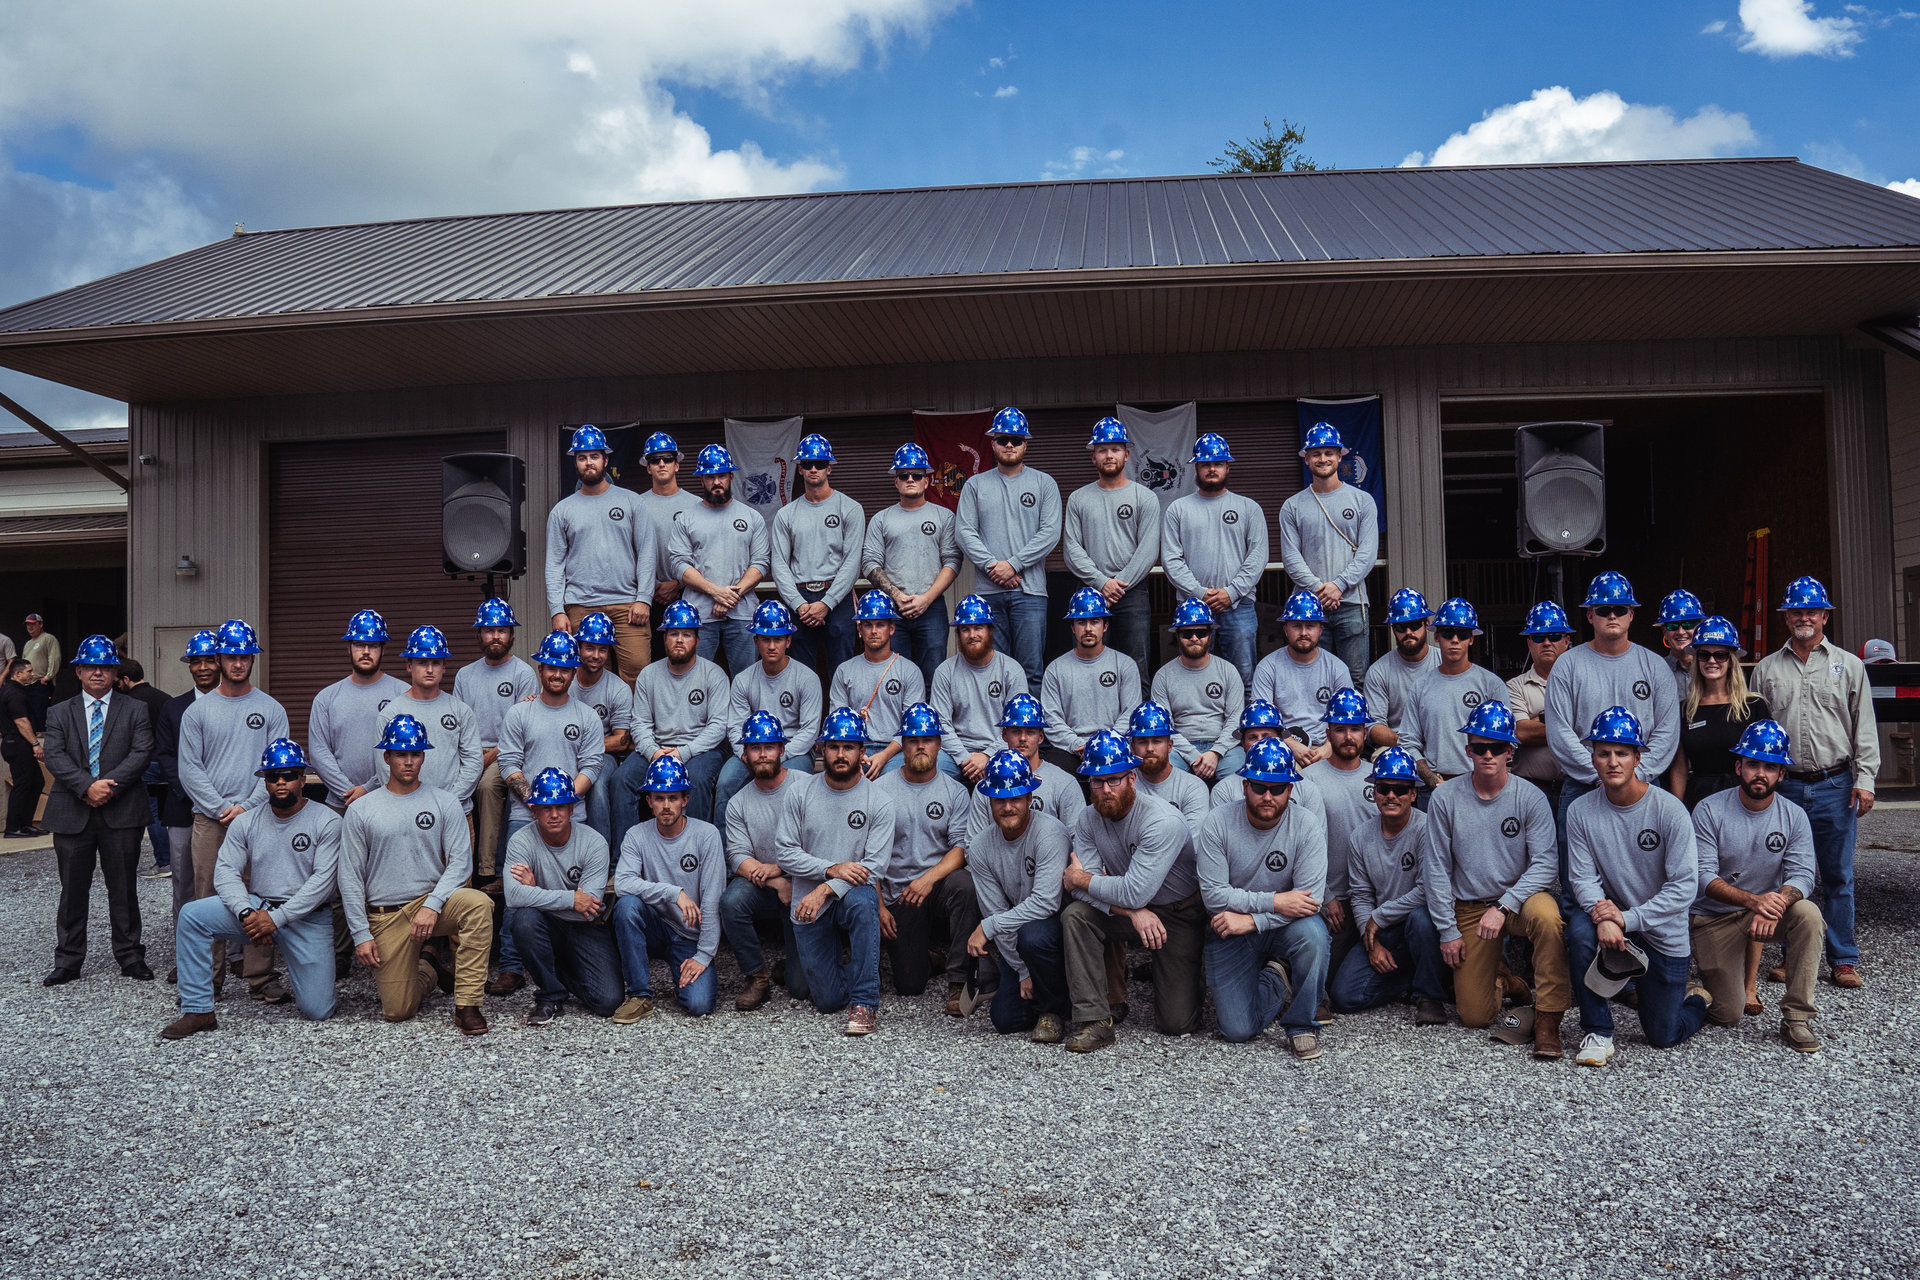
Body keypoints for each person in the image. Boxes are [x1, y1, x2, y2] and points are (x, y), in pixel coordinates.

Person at [1747, 576, 1878, 990]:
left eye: (1812, 611)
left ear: (1824, 616)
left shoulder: (1849, 666)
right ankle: (1792, 954)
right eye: (1796, 611)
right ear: (1786, 617)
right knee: (1784, 875)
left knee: (1838, 875)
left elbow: (1864, 727)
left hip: (1835, 784)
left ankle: (1842, 958)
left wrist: (1866, 779)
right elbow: (1755, 732)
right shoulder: (1766, 669)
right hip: (1783, 787)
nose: (1804, 617)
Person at [161, 740, 340, 1037]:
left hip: (308, 917)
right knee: (192, 915)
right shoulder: (245, 822)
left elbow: (323, 883)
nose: (280, 782)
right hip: (258, 909)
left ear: (302, 779)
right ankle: (198, 1010)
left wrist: (277, 919)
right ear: (264, 782)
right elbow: (226, 872)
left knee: (317, 1010)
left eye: (289, 774)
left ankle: (314, 980)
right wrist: (246, 912)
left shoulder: (327, 820)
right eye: (273, 777)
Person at [1564, 706, 1709, 1066]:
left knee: (1664, 1035)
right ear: (1593, 758)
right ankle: (1597, 1031)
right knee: (1580, 931)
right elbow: (1582, 878)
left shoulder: (1669, 810)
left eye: (1622, 753)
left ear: (1637, 757)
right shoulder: (1580, 811)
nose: (1613, 761)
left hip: (1661, 931)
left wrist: (1626, 919)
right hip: (1613, 924)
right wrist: (1604, 917)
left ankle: (1699, 1001)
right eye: (1604, 753)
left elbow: (1684, 888)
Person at [1422, 700, 1567, 1058]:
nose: (1488, 755)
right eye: (1480, 747)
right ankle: (1508, 982)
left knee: (1549, 917)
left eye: (1497, 747)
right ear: (1468, 749)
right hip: (1471, 906)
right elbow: (1436, 867)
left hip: (1518, 900)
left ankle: (1548, 1019)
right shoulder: (1445, 798)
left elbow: (1546, 864)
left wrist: (1505, 906)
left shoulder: (1530, 797)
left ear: (1510, 752)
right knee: (1474, 1016)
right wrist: (1447, 930)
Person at [337, 714, 492, 1034]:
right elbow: (350, 874)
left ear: (423, 756)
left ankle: (467, 1005)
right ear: (387, 757)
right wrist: (360, 934)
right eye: (401, 754)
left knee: (478, 903)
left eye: (415, 754)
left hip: (432, 905)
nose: (408, 761)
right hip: (386, 914)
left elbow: (461, 864)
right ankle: (429, 967)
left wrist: (432, 904)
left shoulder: (444, 802)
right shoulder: (362, 809)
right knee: (397, 1011)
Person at [1059, 731, 1205, 1051]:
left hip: (1178, 910)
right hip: (1131, 907)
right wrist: (1131, 911)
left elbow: (1085, 882)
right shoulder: (1087, 818)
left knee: (1176, 1023)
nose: (1105, 790)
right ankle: (1095, 1020)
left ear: (1132, 778)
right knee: (1076, 915)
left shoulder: (1161, 820)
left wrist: (1082, 879)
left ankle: (1194, 969)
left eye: (1114, 779)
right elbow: (1099, 894)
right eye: (1096, 781)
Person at [1689, 719, 1823, 1053]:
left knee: (1808, 913)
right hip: (1712, 917)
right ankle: (1688, 986)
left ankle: (1797, 1018)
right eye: (1752, 764)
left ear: (1782, 774)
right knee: (1727, 1013)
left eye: (1770, 766)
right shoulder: (1709, 810)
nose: (1760, 773)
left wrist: (1774, 903)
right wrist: (1754, 902)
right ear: (1739, 767)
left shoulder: (1793, 817)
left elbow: (1803, 875)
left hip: (1763, 912)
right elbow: (1703, 877)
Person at [1194, 737, 1331, 1058]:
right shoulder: (1217, 822)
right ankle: (1276, 979)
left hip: (1272, 924)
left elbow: (1311, 901)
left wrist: (1253, 918)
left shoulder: (1306, 825)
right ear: (1244, 786)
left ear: (1291, 789)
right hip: (1230, 928)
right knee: (1236, 1030)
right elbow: (1214, 897)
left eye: (1278, 787)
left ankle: (1301, 1025)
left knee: (1314, 934)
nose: (1267, 796)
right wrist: (1275, 902)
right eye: (1259, 786)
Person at [1544, 572, 1681, 895]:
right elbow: (1560, 732)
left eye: (1619, 609)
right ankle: (1583, 942)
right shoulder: (1568, 666)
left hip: (1644, 785)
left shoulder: (1654, 666)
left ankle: (1642, 936)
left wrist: (1636, 777)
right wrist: (1603, 774)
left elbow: (1667, 731)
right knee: (1578, 885)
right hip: (1582, 785)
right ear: (1589, 615)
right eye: (1603, 610)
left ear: (1631, 614)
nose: (1611, 616)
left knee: (1646, 877)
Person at [178, 619, 291, 1001]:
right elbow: (189, 768)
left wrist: (247, 805)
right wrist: (220, 807)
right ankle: (207, 981)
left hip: (259, 817)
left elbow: (279, 768)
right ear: (219, 658)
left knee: (261, 892)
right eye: (231, 656)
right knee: (208, 895)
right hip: (210, 820)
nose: (238, 663)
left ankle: (260, 978)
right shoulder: (199, 712)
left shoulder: (270, 709)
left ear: (252, 659)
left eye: (245, 656)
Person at [492, 629, 606, 994]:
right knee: (518, 892)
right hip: (526, 816)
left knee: (570, 888)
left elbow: (592, 764)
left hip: (573, 816)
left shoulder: (587, 716)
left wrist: (564, 801)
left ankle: (568, 959)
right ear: (540, 669)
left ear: (574, 672)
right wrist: (534, 800)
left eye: (565, 669)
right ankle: (511, 965)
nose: (558, 675)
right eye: (551, 668)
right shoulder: (519, 713)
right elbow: (508, 762)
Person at [40, 635, 155, 985]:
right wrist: (85, 786)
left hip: (121, 812)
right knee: (72, 891)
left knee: (123, 889)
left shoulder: (136, 709)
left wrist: (106, 786)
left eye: (105, 667)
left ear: (114, 671)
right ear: (78, 671)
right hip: (72, 813)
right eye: (90, 666)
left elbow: (141, 752)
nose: (97, 673)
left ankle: (130, 956)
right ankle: (69, 960)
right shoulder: (58, 712)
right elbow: (55, 755)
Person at [775, 706, 895, 1034]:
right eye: (834, 746)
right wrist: (831, 869)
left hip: (842, 896)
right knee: (826, 1000)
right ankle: (861, 969)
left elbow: (874, 868)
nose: (841, 754)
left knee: (863, 900)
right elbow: (785, 854)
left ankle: (865, 1003)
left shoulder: (879, 800)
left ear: (863, 751)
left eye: (849, 747)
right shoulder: (799, 793)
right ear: (821, 749)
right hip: (808, 905)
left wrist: (825, 886)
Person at [1327, 747, 1444, 1020]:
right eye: (1384, 788)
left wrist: (1378, 917)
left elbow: (1429, 890)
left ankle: (1429, 995)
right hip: (1384, 928)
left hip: (1420, 922)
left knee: (1422, 918)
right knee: (1344, 997)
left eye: (1400, 789)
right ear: (1374, 792)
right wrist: (1372, 942)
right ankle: (1415, 977)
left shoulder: (1427, 829)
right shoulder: (1360, 837)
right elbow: (1360, 895)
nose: (1391, 795)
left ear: (1414, 794)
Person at [963, 750, 1072, 1041]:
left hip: (1057, 927)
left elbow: (1048, 902)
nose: (1008, 807)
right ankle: (1049, 995)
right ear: (989, 801)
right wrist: (1022, 970)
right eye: (1000, 799)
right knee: (1006, 1019)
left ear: (1029, 799)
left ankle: (1053, 1011)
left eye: (1016, 798)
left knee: (1034, 935)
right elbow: (994, 911)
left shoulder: (1050, 833)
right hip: (1020, 932)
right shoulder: (980, 847)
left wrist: (989, 927)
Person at [873, 703, 976, 1009]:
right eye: (913, 739)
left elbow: (961, 849)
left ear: (939, 745)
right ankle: (928, 956)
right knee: (909, 984)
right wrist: (879, 905)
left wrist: (927, 880)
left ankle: (959, 981)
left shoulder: (956, 791)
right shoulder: (880, 790)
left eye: (927, 739)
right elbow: (869, 856)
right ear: (902, 744)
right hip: (898, 893)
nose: (920, 745)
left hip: (937, 885)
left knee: (966, 885)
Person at [953, 406, 1062, 695]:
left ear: (1026, 443)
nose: (1009, 444)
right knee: (994, 670)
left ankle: (1031, 738)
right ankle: (997, 738)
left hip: (1031, 593)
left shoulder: (1044, 483)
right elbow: (964, 532)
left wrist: (1013, 564)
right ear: (992, 444)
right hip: (988, 595)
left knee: (1031, 671)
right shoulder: (975, 485)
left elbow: (1050, 533)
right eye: (1003, 439)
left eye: (1015, 439)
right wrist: (994, 567)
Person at [503, 768, 621, 1024]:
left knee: (608, 1002)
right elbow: (512, 896)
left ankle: (558, 967)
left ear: (572, 809)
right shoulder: (521, 841)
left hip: (586, 927)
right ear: (533, 810)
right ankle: (550, 995)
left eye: (561, 806)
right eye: (546, 807)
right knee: (523, 918)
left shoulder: (594, 842)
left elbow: (588, 907)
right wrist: (570, 900)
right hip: (546, 925)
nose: (554, 814)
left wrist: (534, 892)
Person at [611, 755, 725, 1020]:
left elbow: (711, 899)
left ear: (685, 800)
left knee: (699, 1006)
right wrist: (674, 892)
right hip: (654, 926)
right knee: (627, 906)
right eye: (659, 798)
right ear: (648, 801)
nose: (666, 805)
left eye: (672, 798)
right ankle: (640, 995)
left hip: (689, 936)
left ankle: (682, 974)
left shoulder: (706, 835)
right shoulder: (636, 835)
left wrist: (704, 955)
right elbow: (622, 883)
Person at [545, 423, 655, 685]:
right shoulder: (562, 510)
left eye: (594, 456)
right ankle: (586, 727)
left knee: (638, 673)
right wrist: (556, 610)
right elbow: (554, 565)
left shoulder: (632, 501)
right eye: (582, 458)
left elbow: (647, 552)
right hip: (580, 605)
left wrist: (644, 598)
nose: (589, 463)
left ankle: (630, 728)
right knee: (582, 675)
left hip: (628, 604)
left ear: (606, 460)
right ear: (576, 463)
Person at [718, 711, 810, 1010]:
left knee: (800, 988)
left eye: (769, 746)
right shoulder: (738, 802)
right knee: (731, 902)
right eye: (755, 748)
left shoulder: (806, 786)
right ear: (744, 754)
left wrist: (784, 869)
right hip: (765, 887)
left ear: (782, 750)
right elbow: (737, 858)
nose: (762, 754)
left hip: (807, 886)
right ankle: (757, 978)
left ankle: (793, 966)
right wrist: (777, 880)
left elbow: (818, 846)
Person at [1063, 415, 1160, 694]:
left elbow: (1148, 550)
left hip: (1133, 593)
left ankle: (1138, 735)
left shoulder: (1145, 497)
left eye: (1115, 449)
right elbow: (1072, 549)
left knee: (1137, 667)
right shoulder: (1079, 499)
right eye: (1102, 449)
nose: (1109, 454)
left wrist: (1118, 584)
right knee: (1086, 664)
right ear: (1093, 456)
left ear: (1126, 455)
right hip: (1089, 594)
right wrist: (1101, 583)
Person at [1161, 432, 1266, 689]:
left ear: (1227, 467)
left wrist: (1231, 593)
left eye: (1217, 464)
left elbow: (1258, 556)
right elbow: (1171, 560)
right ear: (1196, 467)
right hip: (1192, 609)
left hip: (1238, 607)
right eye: (1206, 464)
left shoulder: (1249, 508)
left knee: (1244, 680)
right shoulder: (1178, 509)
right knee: (1193, 677)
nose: (1211, 469)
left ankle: (1244, 729)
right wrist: (1199, 594)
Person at [1278, 422, 1379, 691]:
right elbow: (1291, 557)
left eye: (1329, 453)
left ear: (1340, 456)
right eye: (1316, 453)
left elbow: (1368, 553)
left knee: (1354, 681)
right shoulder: (1292, 506)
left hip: (1352, 604)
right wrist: (1318, 591)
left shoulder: (1362, 500)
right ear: (1307, 458)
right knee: (1311, 681)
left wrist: (1339, 586)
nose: (1323, 459)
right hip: (1306, 609)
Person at [712, 599, 821, 835]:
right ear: (756, 641)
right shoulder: (743, 680)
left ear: (788, 641)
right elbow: (735, 727)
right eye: (765, 639)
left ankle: (796, 852)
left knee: (798, 784)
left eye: (778, 639)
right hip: (751, 751)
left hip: (794, 751)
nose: (772, 646)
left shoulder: (807, 678)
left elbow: (810, 731)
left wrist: (778, 756)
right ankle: (726, 861)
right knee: (726, 783)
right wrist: (746, 754)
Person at [624, 600, 731, 830]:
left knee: (698, 778)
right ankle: (623, 860)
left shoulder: (713, 674)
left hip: (702, 749)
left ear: (698, 640)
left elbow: (719, 726)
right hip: (658, 748)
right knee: (622, 780)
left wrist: (684, 752)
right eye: (673, 633)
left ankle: (700, 850)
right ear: (664, 639)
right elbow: (640, 723)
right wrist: (654, 753)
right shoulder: (649, 674)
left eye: (687, 634)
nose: (680, 640)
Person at [863, 442, 962, 691]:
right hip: (893, 610)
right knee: (893, 678)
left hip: (932, 607)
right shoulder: (881, 519)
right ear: (895, 481)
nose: (910, 479)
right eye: (903, 475)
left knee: (934, 678)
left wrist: (926, 599)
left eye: (917, 475)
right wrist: (897, 596)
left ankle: (931, 729)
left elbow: (952, 560)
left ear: (926, 481)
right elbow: (869, 562)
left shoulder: (944, 517)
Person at [453, 597, 539, 880]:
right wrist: (471, 760)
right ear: (479, 634)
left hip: (508, 753)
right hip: (470, 751)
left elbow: (520, 731)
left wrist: (482, 761)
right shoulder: (465, 675)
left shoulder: (523, 673)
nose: (495, 636)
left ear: (511, 635)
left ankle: (486, 872)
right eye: (489, 630)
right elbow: (458, 729)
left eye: (502, 630)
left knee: (488, 786)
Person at [668, 443, 770, 675]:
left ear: (731, 477)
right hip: (697, 616)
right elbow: (679, 565)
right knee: (695, 679)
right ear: (701, 480)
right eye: (710, 476)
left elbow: (761, 562)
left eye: (721, 475)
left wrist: (729, 596)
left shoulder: (752, 517)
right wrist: (715, 592)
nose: (716, 482)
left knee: (746, 680)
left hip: (742, 613)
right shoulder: (686, 519)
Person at [770, 433, 866, 677]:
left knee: (842, 673)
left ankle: (843, 716)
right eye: (807, 464)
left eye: (820, 464)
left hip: (837, 596)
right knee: (800, 675)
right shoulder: (786, 514)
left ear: (829, 468)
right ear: (799, 469)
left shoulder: (851, 508)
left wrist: (827, 602)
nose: (813, 469)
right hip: (799, 597)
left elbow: (852, 563)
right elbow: (779, 565)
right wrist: (799, 604)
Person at [365, 626, 483, 823]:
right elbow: (385, 769)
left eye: (436, 663)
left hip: (455, 815)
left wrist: (449, 803)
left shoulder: (461, 711)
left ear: (444, 667)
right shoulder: (391, 714)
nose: (429, 669)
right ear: (409, 666)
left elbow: (473, 763)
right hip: (404, 815)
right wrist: (413, 805)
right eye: (422, 662)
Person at [1396, 598, 1510, 798]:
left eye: (1462, 633)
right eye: (1448, 633)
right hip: (1432, 790)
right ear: (1437, 637)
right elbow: (1408, 741)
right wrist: (1431, 779)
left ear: (1472, 638)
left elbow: (1508, 741)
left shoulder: (1491, 684)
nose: (1455, 639)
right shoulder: (1421, 687)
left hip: (1482, 788)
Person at [1302, 687, 1376, 988]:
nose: (1348, 737)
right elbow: (1301, 847)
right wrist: (1326, 896)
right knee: (1330, 983)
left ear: (1366, 732)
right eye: (1340, 729)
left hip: (1373, 896)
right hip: (1329, 900)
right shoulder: (1309, 779)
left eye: (1355, 729)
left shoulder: (1380, 777)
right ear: (1328, 732)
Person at [155, 630, 221, 966]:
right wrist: (192, 796)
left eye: (210, 659)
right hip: (184, 809)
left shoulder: (235, 704)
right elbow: (166, 756)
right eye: (197, 661)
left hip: (229, 810)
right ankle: (189, 959)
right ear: (189, 667)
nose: (204, 667)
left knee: (231, 882)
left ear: (221, 661)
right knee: (185, 886)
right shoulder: (173, 708)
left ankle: (233, 954)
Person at [307, 610, 408, 812]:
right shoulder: (326, 698)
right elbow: (319, 753)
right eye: (359, 644)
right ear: (349, 647)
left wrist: (369, 788)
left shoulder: (403, 694)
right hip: (340, 804)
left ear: (383, 649)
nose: (366, 651)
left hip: (391, 802)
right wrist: (348, 792)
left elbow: (408, 752)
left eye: (373, 645)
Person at [1667, 616, 1770, 809]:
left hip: (1744, 799)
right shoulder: (1685, 709)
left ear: (1731, 660)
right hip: (1699, 800)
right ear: (1696, 660)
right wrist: (1676, 810)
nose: (1711, 660)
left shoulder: (1754, 706)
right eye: (1704, 655)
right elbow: (1679, 767)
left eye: (1720, 655)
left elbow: (1766, 764)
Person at [1040, 587, 1142, 777]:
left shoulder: (1125, 665)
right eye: (1081, 622)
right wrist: (1077, 745)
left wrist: (1106, 743)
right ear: (1072, 627)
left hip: (1115, 747)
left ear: (1105, 626)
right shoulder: (1055, 669)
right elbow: (1051, 718)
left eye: (1094, 621)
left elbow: (1131, 712)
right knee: (1047, 770)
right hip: (1072, 750)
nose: (1088, 628)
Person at [929, 593, 1028, 784]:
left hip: (1003, 750)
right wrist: (965, 759)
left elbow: (1016, 725)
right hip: (955, 753)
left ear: (990, 630)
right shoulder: (945, 671)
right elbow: (941, 724)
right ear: (958, 634)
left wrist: (987, 755)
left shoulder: (1011, 670)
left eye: (978, 627)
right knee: (931, 771)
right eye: (965, 629)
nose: (972, 635)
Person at [1251, 590, 1355, 764]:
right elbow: (1261, 719)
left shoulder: (1337, 668)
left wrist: (1328, 748)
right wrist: (1290, 744)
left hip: (1328, 746)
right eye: (1297, 626)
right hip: (1281, 747)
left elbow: (1349, 717)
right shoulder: (1268, 667)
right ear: (1285, 630)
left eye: (1310, 626)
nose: (1304, 632)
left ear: (1321, 629)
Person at [829, 591, 925, 779]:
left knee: (892, 782)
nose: (874, 631)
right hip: (854, 747)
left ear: (891, 628)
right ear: (859, 628)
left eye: (880, 625)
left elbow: (911, 727)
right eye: (868, 625)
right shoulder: (844, 670)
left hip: (896, 750)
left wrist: (883, 757)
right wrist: (857, 754)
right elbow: (838, 723)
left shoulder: (910, 671)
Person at [964, 693, 1087, 836]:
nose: (1023, 738)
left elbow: (1077, 841)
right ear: (1004, 735)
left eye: (1030, 732)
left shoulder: (1064, 783)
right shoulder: (988, 784)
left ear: (1041, 737)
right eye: (1016, 731)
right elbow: (973, 845)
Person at [1150, 598, 1246, 782]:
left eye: (1200, 632)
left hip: (1224, 747)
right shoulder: (1163, 676)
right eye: (1187, 633)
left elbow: (1236, 719)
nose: (1194, 638)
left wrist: (1215, 752)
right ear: (1177, 635)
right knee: (1161, 779)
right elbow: (1164, 726)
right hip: (1177, 748)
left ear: (1210, 634)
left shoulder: (1228, 671)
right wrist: (1193, 755)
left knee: (1240, 782)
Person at [635, 432, 704, 662]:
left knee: (688, 661)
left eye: (667, 459)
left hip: (690, 594)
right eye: (655, 460)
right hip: (648, 597)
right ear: (648, 467)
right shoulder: (636, 505)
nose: (661, 464)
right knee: (652, 661)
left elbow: (704, 553)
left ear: (677, 464)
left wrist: (678, 583)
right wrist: (654, 586)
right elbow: (630, 552)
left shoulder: (696, 505)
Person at [570, 610, 636, 846]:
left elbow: (621, 740)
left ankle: (604, 860)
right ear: (578, 646)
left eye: (603, 649)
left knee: (596, 787)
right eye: (590, 647)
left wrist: (580, 746)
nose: (596, 655)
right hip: (566, 750)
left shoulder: (618, 688)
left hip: (604, 755)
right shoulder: (565, 679)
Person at [1506, 601, 1572, 821]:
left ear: (1566, 641)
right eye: (1538, 637)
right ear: (1529, 643)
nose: (1546, 643)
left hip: (1576, 788)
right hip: (1531, 788)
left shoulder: (1581, 683)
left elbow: (1588, 729)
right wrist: (1568, 722)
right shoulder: (1514, 687)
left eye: (1553, 636)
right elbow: (1521, 733)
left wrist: (1539, 719)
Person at [116, 658, 172, 875]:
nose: (117, 685)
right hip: (165, 762)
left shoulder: (128, 702)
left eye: (119, 680)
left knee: (149, 813)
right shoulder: (165, 698)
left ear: (127, 679)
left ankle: (165, 862)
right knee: (161, 811)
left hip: (144, 763)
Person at [1364, 589, 1440, 747]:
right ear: (1392, 629)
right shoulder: (1379, 670)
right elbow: (1372, 727)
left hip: (1440, 741)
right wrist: (1410, 742)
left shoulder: (1444, 661)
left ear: (1427, 624)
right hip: (1397, 745)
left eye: (1414, 624)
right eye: (1401, 627)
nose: (1408, 632)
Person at [1125, 702, 1209, 837]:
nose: (1150, 748)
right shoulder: (1123, 785)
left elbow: (1193, 844)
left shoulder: (1192, 787)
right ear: (1133, 748)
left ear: (1170, 746)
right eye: (1142, 742)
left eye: (1157, 741)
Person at [3, 657, 45, 839]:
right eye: (29, 671)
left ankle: (25, 824)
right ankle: (13, 828)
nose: (32, 674)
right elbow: (21, 721)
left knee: (36, 782)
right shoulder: (14, 693)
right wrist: (35, 744)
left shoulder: (13, 690)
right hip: (18, 743)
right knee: (22, 785)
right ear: (17, 673)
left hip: (17, 743)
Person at [1657, 588, 1705, 700]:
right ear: (1664, 631)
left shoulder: (1714, 668)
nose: (1681, 632)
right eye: (1672, 626)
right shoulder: (1655, 670)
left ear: (1699, 628)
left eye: (1688, 624)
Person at [22, 612, 61, 724]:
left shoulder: (48, 638)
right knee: (29, 714)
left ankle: (43, 739)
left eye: (33, 624)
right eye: (27, 624)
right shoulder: (28, 643)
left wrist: (48, 677)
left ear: (40, 624)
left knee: (40, 713)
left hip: (41, 683)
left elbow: (54, 658)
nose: (30, 626)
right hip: (28, 684)